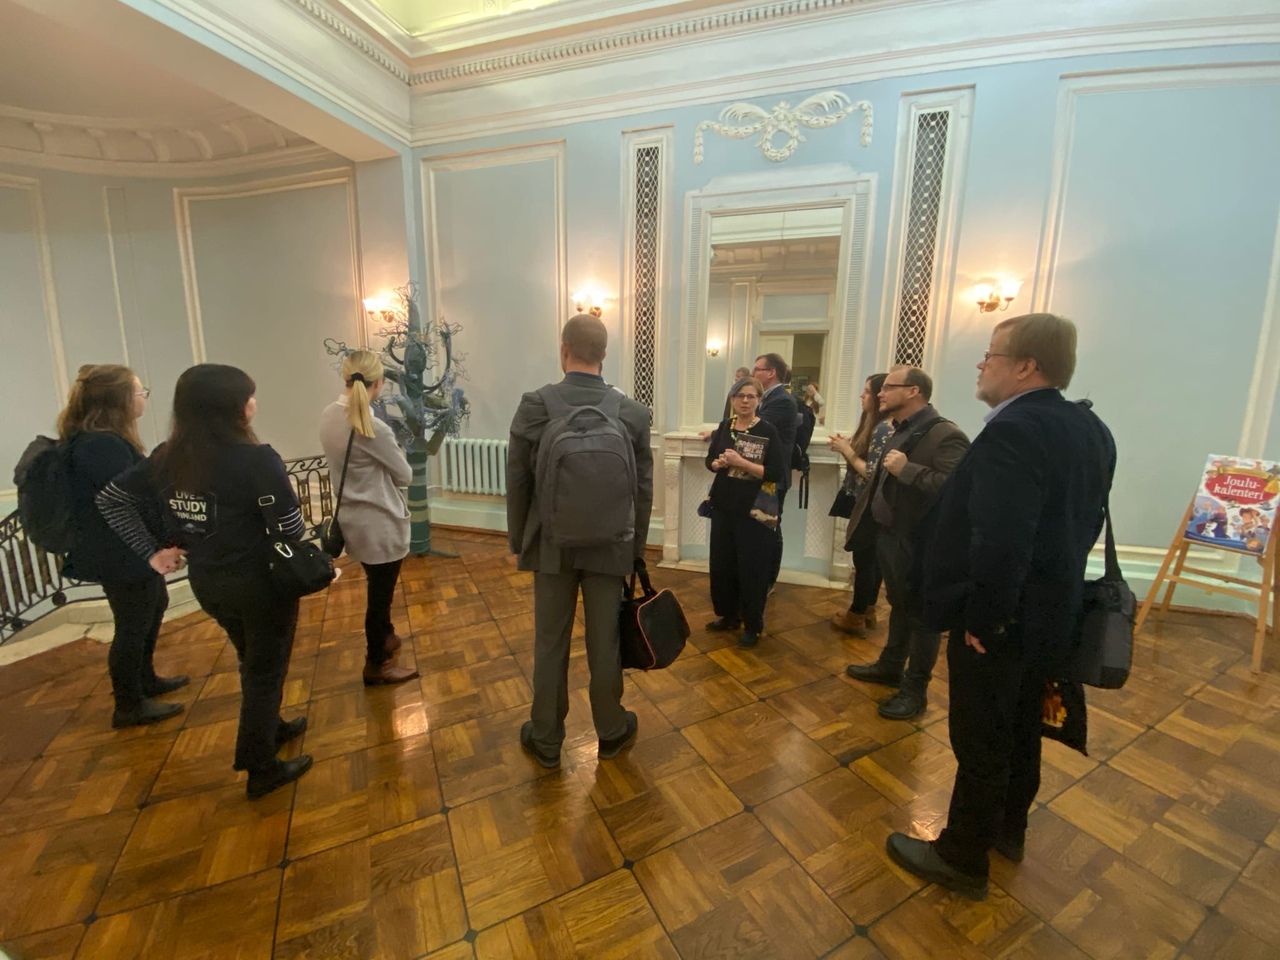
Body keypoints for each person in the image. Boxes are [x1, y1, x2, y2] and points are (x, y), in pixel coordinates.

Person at [886, 314, 1115, 902]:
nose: (981, 364)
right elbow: (1080, 525)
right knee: (1020, 728)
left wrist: (986, 620)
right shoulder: (1090, 426)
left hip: (1001, 620)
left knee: (981, 735)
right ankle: (1007, 831)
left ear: (1025, 366)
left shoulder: (1015, 430)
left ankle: (962, 856)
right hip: (1052, 613)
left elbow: (1002, 538)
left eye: (991, 354)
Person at [98, 364, 312, 800]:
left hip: (208, 581)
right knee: (265, 669)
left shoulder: (168, 455)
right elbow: (290, 528)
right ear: (233, 407)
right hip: (260, 582)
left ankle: (270, 726)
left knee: (251, 657)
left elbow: (112, 499)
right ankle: (261, 765)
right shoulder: (257, 459)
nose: (253, 403)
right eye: (248, 396)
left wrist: (152, 553)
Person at [507, 314, 654, 768]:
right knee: (604, 641)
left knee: (550, 642)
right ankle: (610, 730)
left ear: (564, 349)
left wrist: (519, 542)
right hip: (611, 546)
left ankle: (547, 739)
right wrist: (635, 550)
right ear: (604, 355)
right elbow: (642, 489)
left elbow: (517, 481)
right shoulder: (632, 413)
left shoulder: (535, 406)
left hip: (551, 545)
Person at [57, 364, 187, 729]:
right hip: (120, 551)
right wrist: (153, 547)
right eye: (139, 391)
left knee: (152, 606)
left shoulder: (103, 440)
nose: (143, 397)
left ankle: (145, 680)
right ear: (119, 400)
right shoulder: (101, 445)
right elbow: (123, 501)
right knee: (132, 623)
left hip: (127, 548)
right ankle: (129, 704)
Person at [843, 366, 969, 720]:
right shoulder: (901, 429)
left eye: (888, 387)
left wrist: (907, 470)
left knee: (923, 617)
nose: (880, 393)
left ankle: (915, 691)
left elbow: (956, 490)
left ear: (913, 391)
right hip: (890, 535)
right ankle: (890, 666)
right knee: (899, 606)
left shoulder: (946, 434)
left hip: (920, 543)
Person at [319, 350, 418, 686]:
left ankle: (387, 635)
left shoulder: (328, 416)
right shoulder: (373, 427)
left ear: (345, 378)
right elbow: (405, 475)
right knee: (380, 597)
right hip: (380, 523)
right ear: (379, 383)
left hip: (352, 521)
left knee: (377, 586)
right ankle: (377, 664)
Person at [704, 376, 787, 648]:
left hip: (753, 512)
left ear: (759, 400)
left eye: (751, 396)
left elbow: (776, 473)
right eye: (740, 396)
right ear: (732, 399)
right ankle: (729, 615)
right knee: (723, 564)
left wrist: (742, 463)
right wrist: (716, 464)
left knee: (752, 569)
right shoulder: (724, 426)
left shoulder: (767, 430)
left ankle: (753, 625)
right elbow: (710, 460)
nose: (745, 401)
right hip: (723, 507)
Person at [828, 373, 891, 637]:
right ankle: (867, 609)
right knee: (871, 560)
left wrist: (847, 450)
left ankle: (856, 614)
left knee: (865, 560)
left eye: (867, 391)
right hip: (871, 503)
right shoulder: (876, 425)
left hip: (869, 504)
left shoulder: (882, 428)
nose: (862, 396)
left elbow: (871, 473)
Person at [751, 353, 800, 586]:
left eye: (757, 369)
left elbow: (756, 428)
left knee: (770, 528)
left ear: (771, 373)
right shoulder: (767, 397)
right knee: (759, 529)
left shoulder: (782, 400)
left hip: (773, 476)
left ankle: (768, 581)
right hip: (760, 473)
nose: (753, 374)